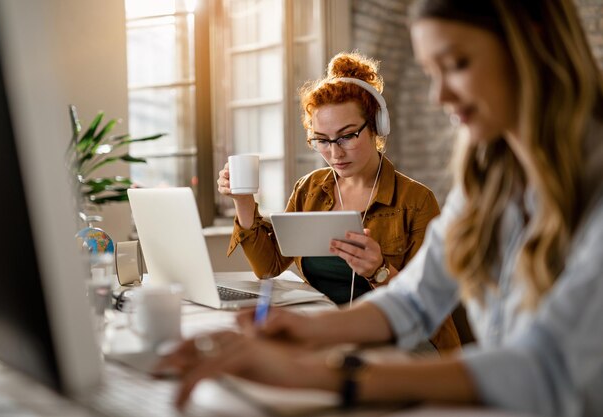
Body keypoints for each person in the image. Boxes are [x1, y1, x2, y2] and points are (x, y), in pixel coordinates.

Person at [162, 0, 603, 415]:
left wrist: (320, 372)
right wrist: (304, 330)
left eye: (457, 65)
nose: (439, 97)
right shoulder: (489, 179)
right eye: (431, 73)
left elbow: (546, 369)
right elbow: (416, 297)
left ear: (533, 41)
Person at [218, 52, 461, 352]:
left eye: (346, 136)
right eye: (321, 139)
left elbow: (428, 304)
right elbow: (268, 267)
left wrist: (379, 270)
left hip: (406, 342)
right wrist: (243, 201)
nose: (334, 153)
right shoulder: (310, 189)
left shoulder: (416, 201)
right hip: (329, 335)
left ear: (376, 127)